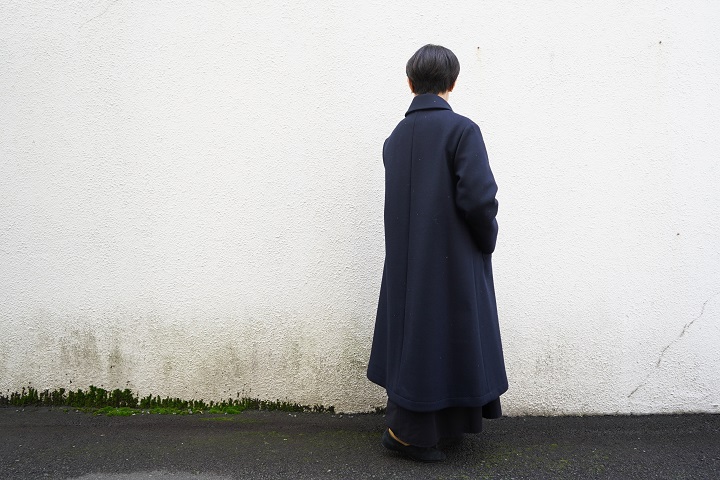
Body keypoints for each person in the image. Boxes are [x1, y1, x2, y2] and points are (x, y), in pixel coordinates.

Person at [367, 44, 508, 463]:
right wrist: (486, 239)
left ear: (410, 83)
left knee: (419, 336)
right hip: (452, 260)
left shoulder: (394, 139)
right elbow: (479, 199)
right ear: (453, 82)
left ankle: (423, 427)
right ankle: (409, 435)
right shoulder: (462, 131)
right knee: (447, 335)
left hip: (408, 264)